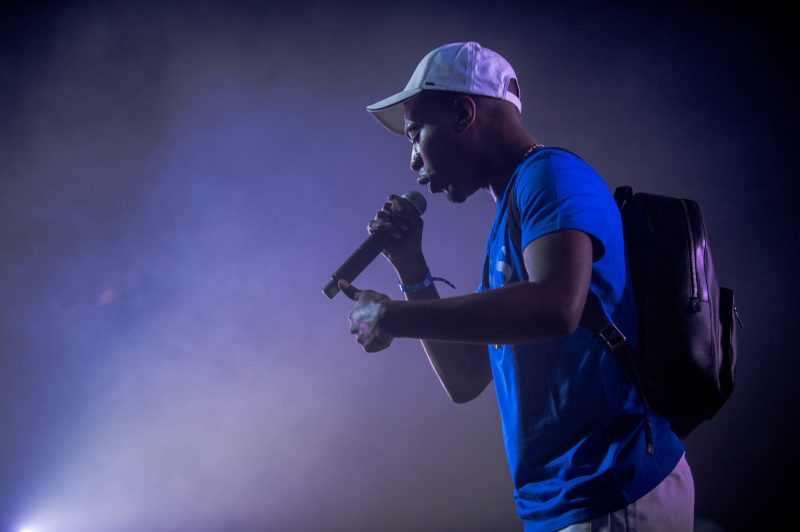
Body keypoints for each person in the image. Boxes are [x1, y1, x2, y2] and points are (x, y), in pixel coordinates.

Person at [339, 42, 694, 532]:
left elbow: (556, 308)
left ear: (463, 114)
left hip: (613, 491)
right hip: (565, 504)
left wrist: (391, 318)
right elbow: (465, 379)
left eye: (416, 133)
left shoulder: (550, 176)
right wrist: (411, 267)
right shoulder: (512, 216)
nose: (414, 159)